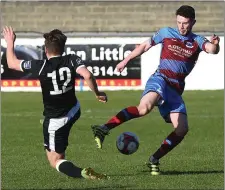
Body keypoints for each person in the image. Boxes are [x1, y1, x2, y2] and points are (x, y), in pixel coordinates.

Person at [91, 5, 220, 175]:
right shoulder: (166, 33)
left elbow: (212, 49)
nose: (182, 26)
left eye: (185, 23)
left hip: (175, 89)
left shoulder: (197, 40)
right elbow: (144, 46)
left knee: (182, 129)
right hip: (160, 79)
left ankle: (154, 159)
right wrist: (125, 61)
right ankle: (104, 128)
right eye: (179, 22)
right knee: (144, 108)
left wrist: (216, 45)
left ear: (193, 22)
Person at [3, 26, 109, 180]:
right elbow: (87, 75)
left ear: (46, 50)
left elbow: (12, 63)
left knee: (54, 160)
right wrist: (98, 94)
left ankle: (83, 173)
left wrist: (10, 42)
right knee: (59, 149)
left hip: (56, 120)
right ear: (62, 48)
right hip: (74, 110)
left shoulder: (41, 66)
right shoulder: (72, 59)